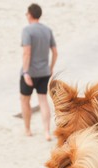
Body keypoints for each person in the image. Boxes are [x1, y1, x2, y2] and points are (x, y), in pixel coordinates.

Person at [20, 3, 58, 141]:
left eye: (26, 14)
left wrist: (25, 72)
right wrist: (51, 67)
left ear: (30, 15)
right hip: (44, 72)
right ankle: (47, 132)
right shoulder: (47, 30)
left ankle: (28, 129)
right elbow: (55, 52)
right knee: (43, 100)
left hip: (30, 72)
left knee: (25, 100)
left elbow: (26, 53)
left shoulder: (27, 30)